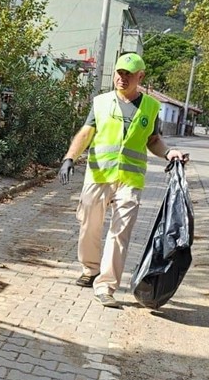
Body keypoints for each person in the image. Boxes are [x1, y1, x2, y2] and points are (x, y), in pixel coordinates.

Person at [59, 52, 187, 308]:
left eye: (129, 74)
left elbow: (153, 139)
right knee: (89, 226)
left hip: (130, 179)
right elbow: (87, 132)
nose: (122, 78)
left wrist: (169, 152)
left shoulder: (151, 106)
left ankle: (106, 286)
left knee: (120, 234)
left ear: (140, 76)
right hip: (98, 175)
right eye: (120, 73)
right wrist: (70, 158)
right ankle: (90, 268)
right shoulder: (101, 102)